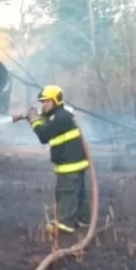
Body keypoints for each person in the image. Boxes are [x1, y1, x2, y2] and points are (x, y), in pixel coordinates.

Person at [28, 85, 90, 235]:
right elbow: (48, 122)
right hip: (74, 163)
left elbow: (44, 136)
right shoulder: (59, 115)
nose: (44, 105)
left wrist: (34, 121)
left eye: (47, 101)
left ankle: (64, 226)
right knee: (78, 194)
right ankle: (84, 220)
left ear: (56, 101)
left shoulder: (60, 117)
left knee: (66, 194)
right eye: (42, 102)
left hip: (70, 165)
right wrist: (37, 117)